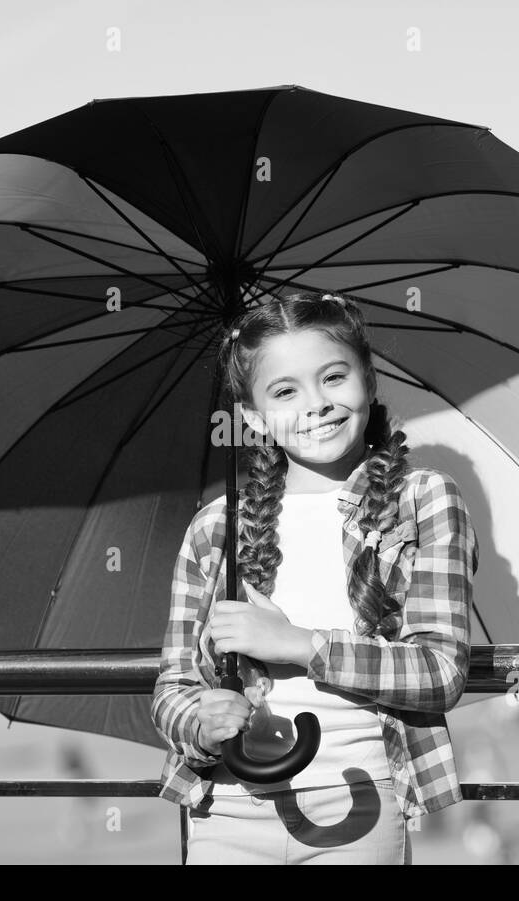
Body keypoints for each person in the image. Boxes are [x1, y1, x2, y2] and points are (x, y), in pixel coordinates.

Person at [151, 290, 481, 864]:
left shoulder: (423, 500)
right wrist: (200, 725)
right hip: (226, 809)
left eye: (334, 377)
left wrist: (299, 645)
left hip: (359, 804)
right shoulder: (214, 529)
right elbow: (172, 687)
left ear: (369, 381)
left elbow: (441, 671)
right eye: (285, 391)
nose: (317, 404)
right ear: (252, 415)